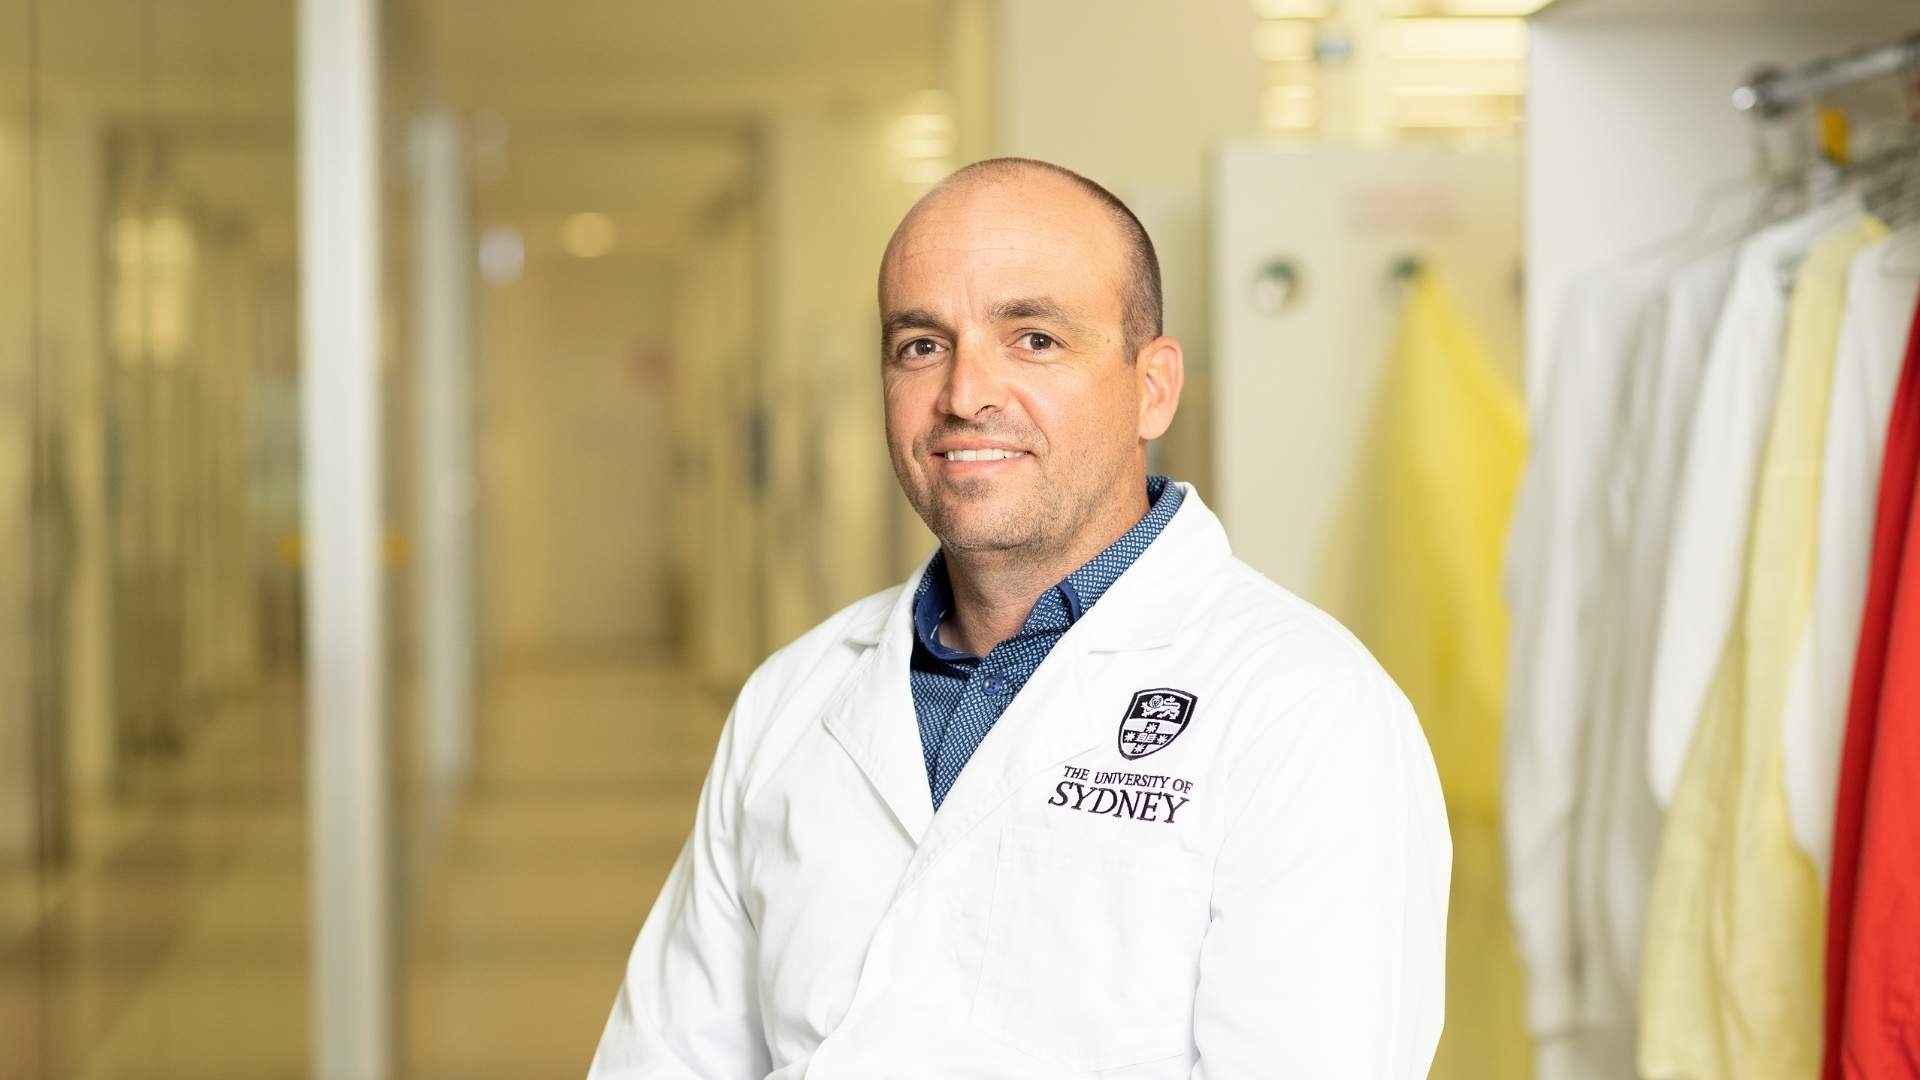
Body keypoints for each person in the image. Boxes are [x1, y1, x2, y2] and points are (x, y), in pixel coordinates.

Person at [589, 157, 1450, 1078]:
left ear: (1152, 387)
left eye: (1033, 338)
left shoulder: (1306, 711)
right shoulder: (792, 697)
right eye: (921, 345)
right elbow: (665, 1057)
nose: (965, 395)